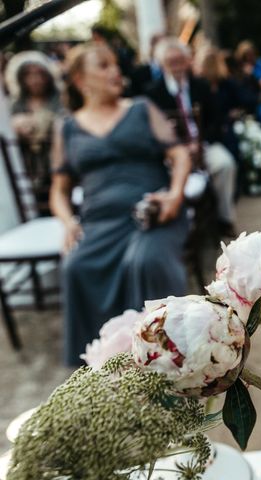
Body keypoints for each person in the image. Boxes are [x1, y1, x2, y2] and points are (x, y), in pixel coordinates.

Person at [49, 43, 191, 365]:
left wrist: (175, 194)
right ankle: (101, 364)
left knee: (145, 262)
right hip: (99, 221)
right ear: (80, 80)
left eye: (115, 64)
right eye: (103, 65)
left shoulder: (141, 108)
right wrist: (68, 221)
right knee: (75, 267)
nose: (116, 71)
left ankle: (172, 353)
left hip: (151, 214)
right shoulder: (68, 128)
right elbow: (59, 190)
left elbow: (180, 154)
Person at [146, 37, 237, 236]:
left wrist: (200, 142)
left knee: (225, 164)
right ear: (163, 63)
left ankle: (225, 218)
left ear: (188, 61)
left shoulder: (201, 86)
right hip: (172, 153)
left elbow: (216, 118)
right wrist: (176, 148)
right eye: (171, 61)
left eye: (180, 60)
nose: (177, 66)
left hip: (203, 145)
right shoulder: (153, 93)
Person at [5, 51, 65, 215]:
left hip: (56, 169)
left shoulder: (61, 101)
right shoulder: (14, 106)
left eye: (39, 74)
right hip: (27, 173)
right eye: (29, 75)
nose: (35, 80)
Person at [235, 41, 261, 124]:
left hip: (260, 97)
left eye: (251, 54)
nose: (250, 57)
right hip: (243, 98)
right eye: (247, 55)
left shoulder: (260, 63)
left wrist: (255, 76)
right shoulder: (238, 68)